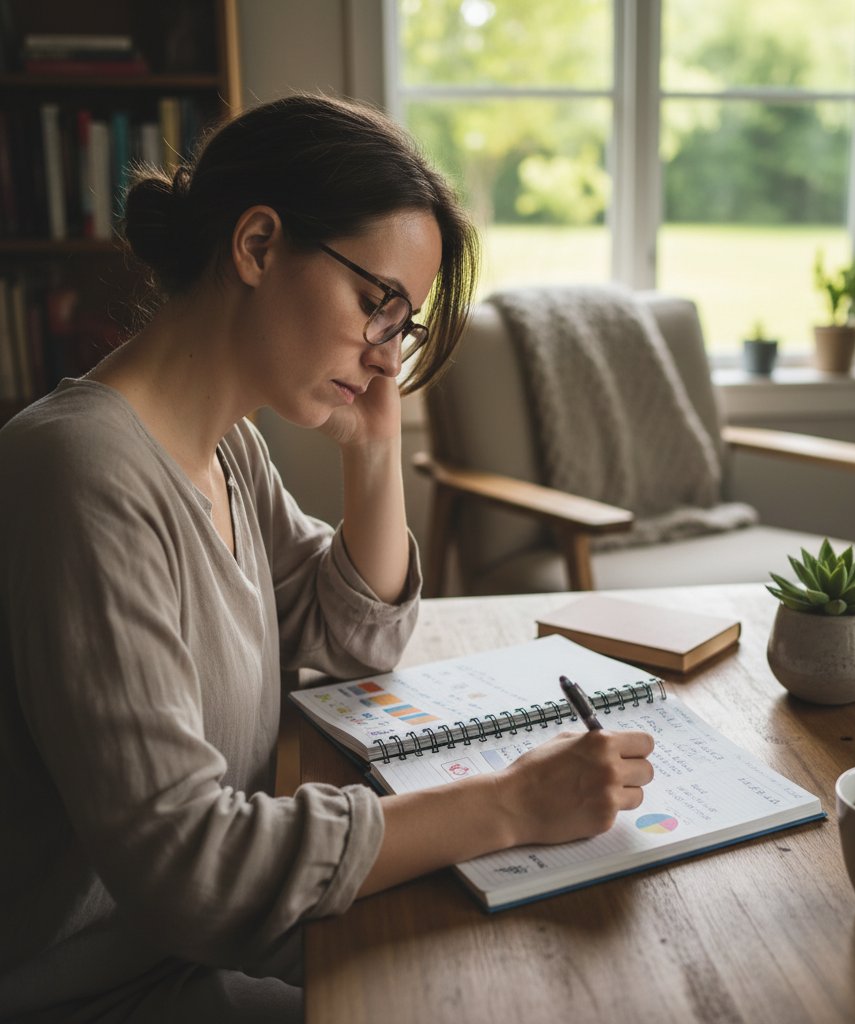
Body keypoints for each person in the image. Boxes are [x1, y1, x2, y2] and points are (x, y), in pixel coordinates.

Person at [0, 94, 655, 1023]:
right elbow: (189, 865)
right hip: (100, 992)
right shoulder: (81, 472)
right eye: (375, 306)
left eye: (402, 326)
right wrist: (508, 804)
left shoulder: (226, 447)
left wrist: (375, 450)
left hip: (195, 957)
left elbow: (353, 638)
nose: (387, 357)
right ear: (258, 245)